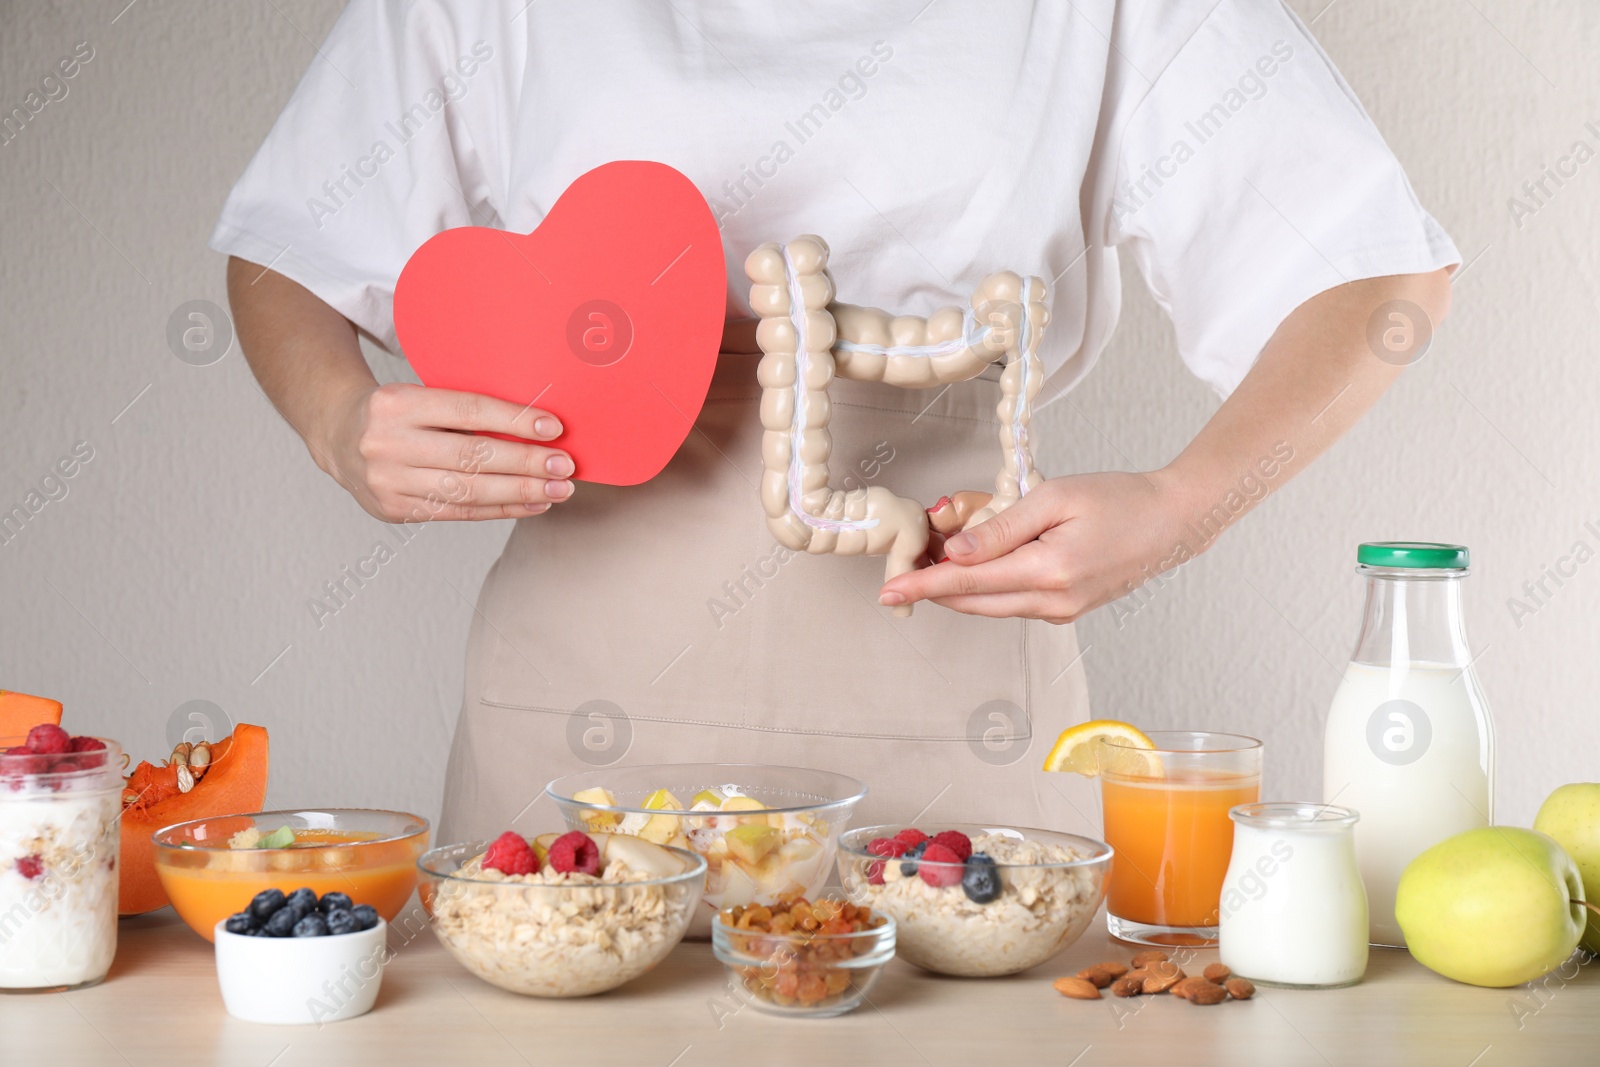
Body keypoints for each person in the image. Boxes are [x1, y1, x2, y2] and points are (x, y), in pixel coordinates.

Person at [214, 1, 1456, 841]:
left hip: (952, 658)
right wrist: (339, 420)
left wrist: (1185, 506)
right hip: (582, 691)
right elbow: (291, 248)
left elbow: (1375, 276)